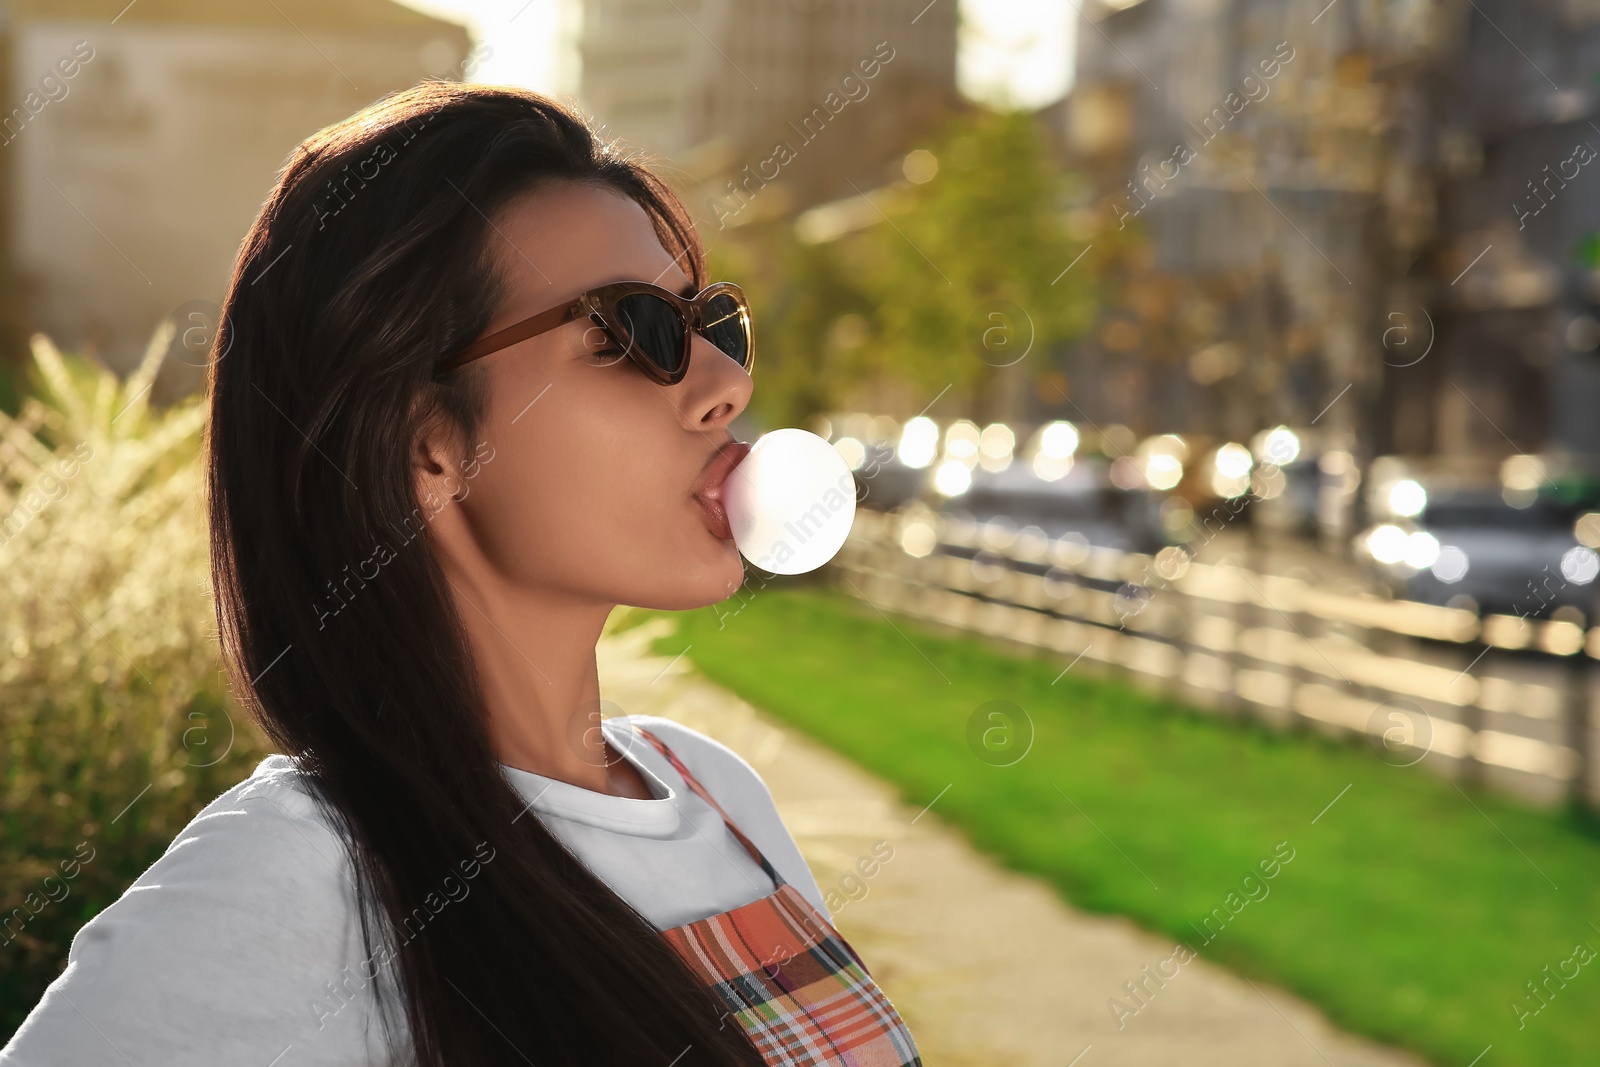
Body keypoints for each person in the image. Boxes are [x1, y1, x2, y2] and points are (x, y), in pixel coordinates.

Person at [1, 81, 921, 1067]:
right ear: (426, 439)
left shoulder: (717, 791)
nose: (727, 382)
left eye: (713, 326)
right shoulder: (300, 876)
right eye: (631, 329)